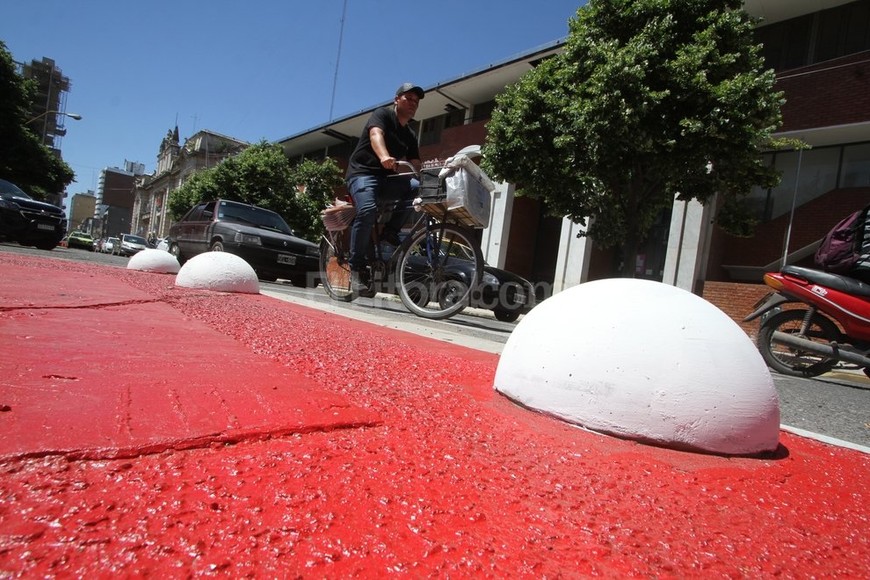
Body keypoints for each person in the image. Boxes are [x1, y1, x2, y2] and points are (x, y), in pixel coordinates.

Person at [345, 82, 424, 295]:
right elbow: (375, 136)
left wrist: (425, 174)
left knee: (417, 187)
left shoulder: (409, 134)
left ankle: (390, 231)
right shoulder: (383, 115)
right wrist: (384, 156)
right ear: (396, 99)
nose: (413, 103)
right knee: (367, 211)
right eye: (408, 98)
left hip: (386, 181)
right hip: (362, 174)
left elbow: (415, 162)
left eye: (416, 101)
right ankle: (356, 266)